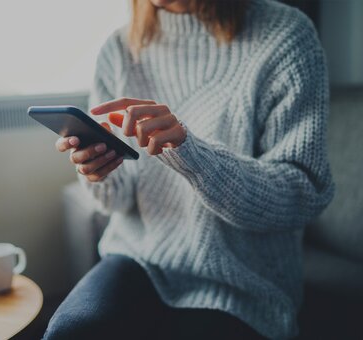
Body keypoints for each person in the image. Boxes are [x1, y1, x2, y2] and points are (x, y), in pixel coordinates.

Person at [45, 0, 334, 339]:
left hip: (241, 281)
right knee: (67, 332)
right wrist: (98, 170)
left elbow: (302, 194)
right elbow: (118, 200)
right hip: (140, 258)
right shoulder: (120, 48)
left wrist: (191, 154)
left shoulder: (286, 36)